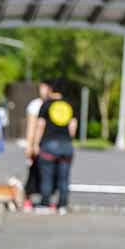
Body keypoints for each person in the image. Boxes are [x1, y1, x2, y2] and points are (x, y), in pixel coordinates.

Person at [33, 80, 77, 214]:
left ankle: (45, 203)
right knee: (64, 177)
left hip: (49, 144)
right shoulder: (70, 105)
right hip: (66, 145)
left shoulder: (46, 104)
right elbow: (72, 128)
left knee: (47, 176)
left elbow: (40, 125)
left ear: (51, 89)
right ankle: (62, 205)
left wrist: (35, 144)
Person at [23, 80, 53, 211]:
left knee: (48, 174)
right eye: (42, 87)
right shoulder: (35, 105)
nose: (44, 90)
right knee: (33, 173)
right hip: (38, 144)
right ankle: (27, 199)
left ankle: (45, 199)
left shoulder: (53, 104)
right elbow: (31, 127)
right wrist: (30, 145)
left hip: (49, 144)